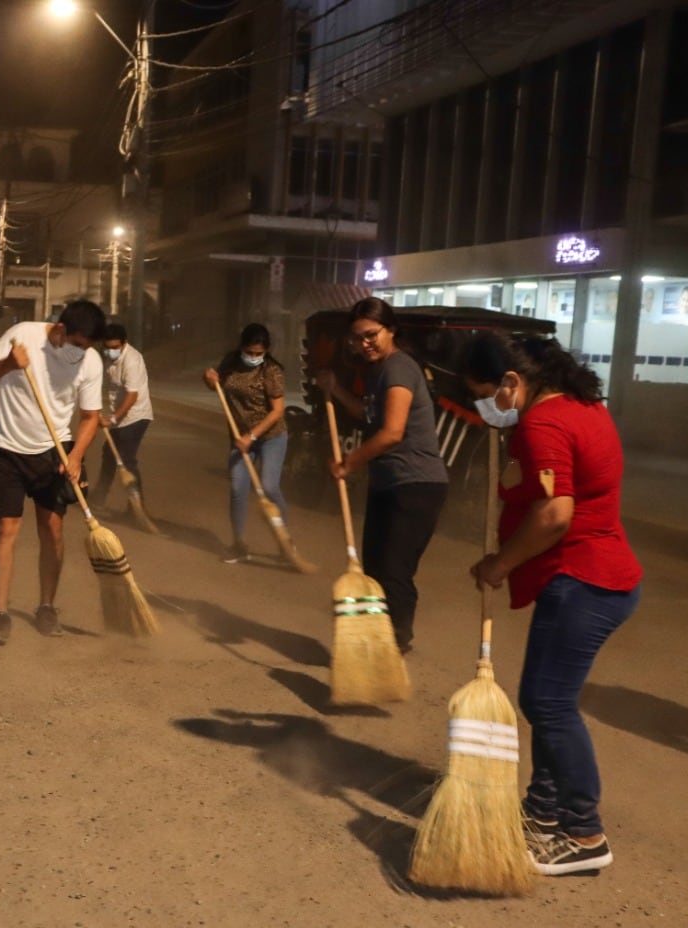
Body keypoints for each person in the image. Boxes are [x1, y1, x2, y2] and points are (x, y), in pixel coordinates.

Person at [464, 332, 642, 875]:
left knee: (547, 704)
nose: (486, 407)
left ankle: (585, 834)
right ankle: (542, 815)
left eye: (486, 394)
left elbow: (554, 514)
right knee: (549, 700)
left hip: (583, 581)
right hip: (597, 577)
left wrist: (500, 564)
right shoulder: (582, 406)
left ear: (513, 382)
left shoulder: (542, 422)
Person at [0, 300, 106, 645]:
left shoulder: (90, 362)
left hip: (53, 451)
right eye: (76, 344)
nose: (80, 353)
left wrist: (76, 456)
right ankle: (0, 615)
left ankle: (47, 605)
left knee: (52, 530)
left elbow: (90, 418)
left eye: (86, 347)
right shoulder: (22, 336)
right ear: (60, 329)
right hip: (9, 450)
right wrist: (6, 365)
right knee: (6, 529)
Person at [316, 297, 447, 653]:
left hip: (416, 484)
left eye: (371, 335)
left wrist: (349, 462)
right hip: (389, 483)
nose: (364, 344)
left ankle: (396, 644)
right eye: (356, 338)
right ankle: (376, 641)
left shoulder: (399, 367)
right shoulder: (377, 371)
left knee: (394, 571)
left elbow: (392, 432)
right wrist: (337, 391)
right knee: (374, 571)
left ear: (390, 331)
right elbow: (368, 415)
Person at [204, 322, 289, 564]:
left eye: (258, 353)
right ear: (241, 347)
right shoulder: (231, 362)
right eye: (249, 352)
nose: (253, 357)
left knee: (269, 487)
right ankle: (239, 544)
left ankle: (285, 543)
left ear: (266, 351)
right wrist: (209, 378)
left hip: (271, 436)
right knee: (237, 488)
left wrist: (251, 436)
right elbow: (217, 385)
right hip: (239, 436)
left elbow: (277, 412)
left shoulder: (272, 371)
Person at [94, 322, 153, 514]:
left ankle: (137, 506)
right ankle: (99, 497)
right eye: (107, 347)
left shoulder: (132, 360)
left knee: (126, 459)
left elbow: (132, 396)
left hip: (135, 415)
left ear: (124, 343)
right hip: (118, 415)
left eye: (115, 348)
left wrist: (112, 420)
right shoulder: (108, 358)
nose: (111, 351)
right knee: (109, 454)